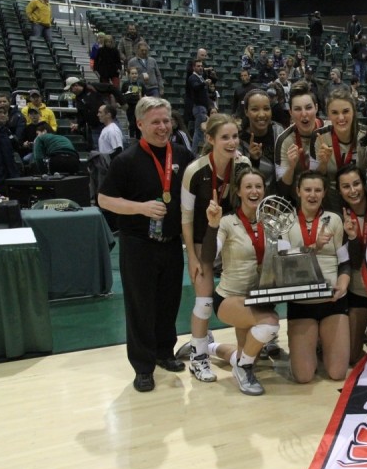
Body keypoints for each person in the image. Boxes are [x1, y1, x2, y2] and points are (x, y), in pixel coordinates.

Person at [98, 97, 194, 392]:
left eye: (167, 121)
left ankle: (165, 352)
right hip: (138, 244)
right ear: (140, 124)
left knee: (169, 302)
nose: (163, 127)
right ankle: (143, 367)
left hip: (170, 243)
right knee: (141, 307)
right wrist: (140, 208)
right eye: (156, 122)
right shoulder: (126, 160)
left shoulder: (182, 155)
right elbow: (104, 199)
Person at [180, 113, 251, 383]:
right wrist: (191, 256)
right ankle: (199, 359)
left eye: (234, 136)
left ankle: (244, 350)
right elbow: (186, 218)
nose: (232, 142)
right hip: (202, 239)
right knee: (204, 300)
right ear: (210, 140)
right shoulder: (194, 171)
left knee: (242, 295)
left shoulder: (242, 164)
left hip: (234, 240)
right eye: (225, 137)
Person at [198, 168, 280, 394]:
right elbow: (207, 257)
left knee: (245, 355)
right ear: (239, 192)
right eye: (248, 187)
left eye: (258, 187)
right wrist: (212, 225)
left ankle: (208, 346)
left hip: (260, 298)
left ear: (264, 191)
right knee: (270, 323)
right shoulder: (227, 222)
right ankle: (243, 370)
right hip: (230, 299)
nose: (254, 191)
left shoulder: (273, 222)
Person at [285, 170, 350, 383]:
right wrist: (314, 247)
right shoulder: (285, 222)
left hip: (332, 302)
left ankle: (323, 343)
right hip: (301, 303)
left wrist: (343, 284)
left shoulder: (335, 220)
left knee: (338, 373)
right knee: (303, 377)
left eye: (318, 190)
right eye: (307, 190)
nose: (312, 195)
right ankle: (310, 345)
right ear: (298, 192)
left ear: (323, 194)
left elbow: (345, 263)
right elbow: (283, 263)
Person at [311, 88, 367, 213]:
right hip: (330, 203)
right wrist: (323, 163)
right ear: (328, 115)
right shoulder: (319, 137)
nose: (341, 117)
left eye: (346, 111)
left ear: (354, 112)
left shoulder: (364, 136)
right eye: (334, 112)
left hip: (360, 201)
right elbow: (315, 180)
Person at [337, 165, 367, 363]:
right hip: (358, 292)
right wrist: (352, 237)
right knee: (351, 357)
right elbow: (356, 261)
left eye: (356, 184)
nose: (352, 191)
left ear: (364, 184)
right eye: (346, 186)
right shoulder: (339, 218)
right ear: (339, 191)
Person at [275, 82, 325, 202]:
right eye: (297, 109)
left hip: (327, 204)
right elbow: (282, 191)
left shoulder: (328, 133)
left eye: (308, 108)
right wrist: (291, 167)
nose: (304, 114)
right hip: (296, 206)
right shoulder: (284, 140)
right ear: (291, 113)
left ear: (316, 108)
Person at [238, 89, 285, 195]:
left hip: (281, 199)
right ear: (246, 112)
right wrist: (254, 161)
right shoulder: (239, 142)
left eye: (266, 109)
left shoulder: (279, 131)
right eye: (255, 109)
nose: (262, 114)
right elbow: (240, 182)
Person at [185, 59, 216, 156]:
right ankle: (193, 154)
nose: (200, 67)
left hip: (202, 108)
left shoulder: (200, 77)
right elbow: (195, 87)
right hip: (198, 107)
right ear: (194, 67)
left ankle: (200, 152)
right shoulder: (193, 77)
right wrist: (204, 83)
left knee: (200, 132)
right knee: (199, 132)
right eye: (198, 66)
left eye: (201, 66)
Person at [0, 99, 18, 195]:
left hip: (10, 181)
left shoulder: (4, 131)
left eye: (5, 112)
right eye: (0, 112)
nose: (4, 115)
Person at [120, 67, 143, 139]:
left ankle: (139, 139)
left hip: (138, 106)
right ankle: (132, 138)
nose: (134, 75)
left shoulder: (141, 84)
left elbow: (144, 94)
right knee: (132, 123)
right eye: (132, 73)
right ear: (129, 75)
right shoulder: (125, 84)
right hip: (129, 106)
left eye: (136, 73)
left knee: (138, 123)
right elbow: (121, 95)